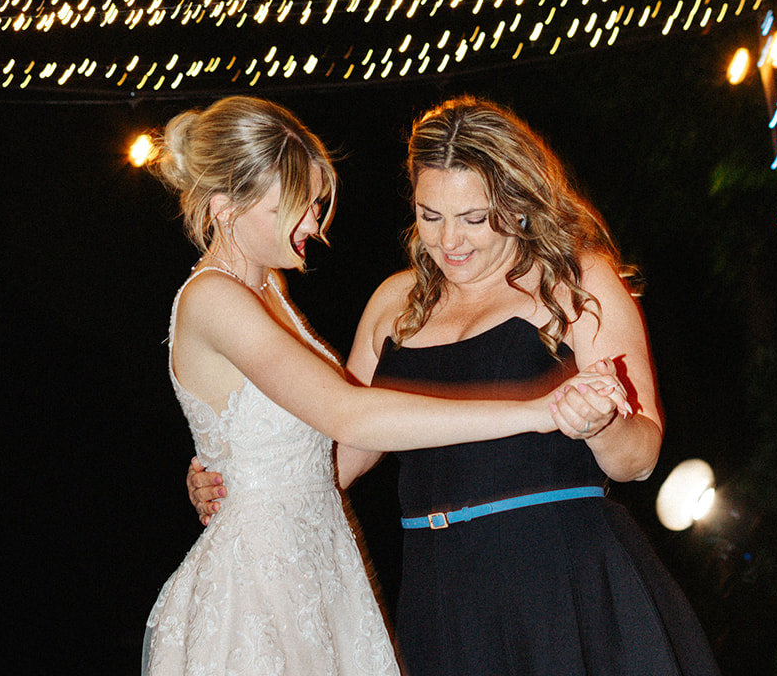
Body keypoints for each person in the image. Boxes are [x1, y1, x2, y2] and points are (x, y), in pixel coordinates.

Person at [190, 96, 721, 676]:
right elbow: (336, 458)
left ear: (517, 204)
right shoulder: (394, 303)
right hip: (440, 597)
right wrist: (232, 473)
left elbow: (639, 460)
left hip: (562, 583)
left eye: (473, 218)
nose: (450, 241)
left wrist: (600, 424)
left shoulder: (576, 279)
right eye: (430, 216)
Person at [141, 95, 591, 676]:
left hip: (315, 569)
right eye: (294, 208)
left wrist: (221, 465)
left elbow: (313, 445)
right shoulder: (213, 298)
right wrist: (539, 411)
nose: (314, 225)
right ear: (226, 207)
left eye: (316, 204)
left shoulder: (268, 288)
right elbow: (349, 415)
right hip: (259, 589)